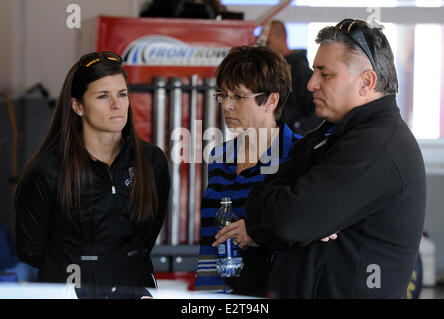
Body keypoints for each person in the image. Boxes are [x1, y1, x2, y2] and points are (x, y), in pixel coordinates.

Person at [217, 19, 426, 298]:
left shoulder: (378, 148)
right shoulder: (329, 135)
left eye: (325, 74)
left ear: (366, 82)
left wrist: (284, 222)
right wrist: (300, 220)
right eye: (315, 72)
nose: (311, 84)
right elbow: (260, 199)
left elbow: (288, 221)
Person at [15, 51, 170, 299]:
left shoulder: (152, 162)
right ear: (78, 106)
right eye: (102, 96)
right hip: (68, 291)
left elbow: (147, 236)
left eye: (122, 94)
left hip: (136, 289)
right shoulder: (47, 170)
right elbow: (30, 249)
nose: (116, 105)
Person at [194, 45, 303, 297]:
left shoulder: (297, 155)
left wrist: (258, 232)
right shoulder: (219, 157)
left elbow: (306, 231)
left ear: (271, 100)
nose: (227, 105)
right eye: (223, 95)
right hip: (213, 293)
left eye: (239, 97)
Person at [266, 20, 323, 135]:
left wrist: (296, 129)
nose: (265, 47)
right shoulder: (271, 71)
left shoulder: (301, 72)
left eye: (268, 43)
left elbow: (319, 111)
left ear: (282, 37)